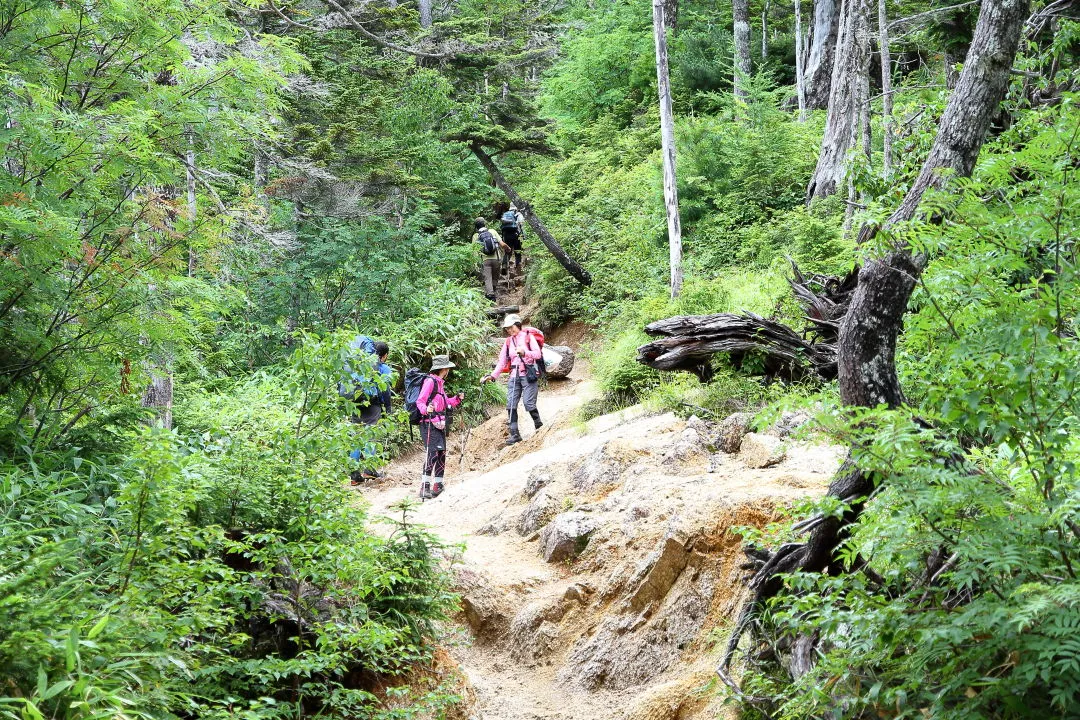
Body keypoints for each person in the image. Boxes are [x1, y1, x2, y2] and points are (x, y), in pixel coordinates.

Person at [481, 314, 542, 445]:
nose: (509, 330)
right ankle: (515, 434)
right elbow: (502, 362)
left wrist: (525, 353)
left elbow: (537, 354)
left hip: (528, 374)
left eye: (511, 327)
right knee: (510, 404)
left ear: (517, 325)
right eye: (507, 329)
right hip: (514, 376)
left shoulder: (527, 337)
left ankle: (539, 426)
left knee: (528, 403)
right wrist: (492, 376)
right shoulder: (508, 342)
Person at [416, 355, 463, 499]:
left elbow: (444, 402)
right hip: (428, 422)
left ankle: (438, 485)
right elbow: (420, 401)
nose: (448, 370)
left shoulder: (439, 383)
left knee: (441, 453)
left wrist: (456, 399)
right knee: (432, 454)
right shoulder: (430, 381)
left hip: (439, 423)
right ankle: (424, 488)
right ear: (443, 368)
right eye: (447, 367)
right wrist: (426, 410)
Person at [348, 340, 393, 484]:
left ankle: (354, 476)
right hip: (372, 405)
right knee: (370, 436)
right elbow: (385, 390)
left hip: (355, 403)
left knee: (356, 437)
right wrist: (388, 408)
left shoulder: (359, 367)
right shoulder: (383, 368)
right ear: (384, 355)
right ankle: (369, 470)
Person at [473, 217, 507, 301]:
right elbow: (502, 244)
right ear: (485, 224)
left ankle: (490, 295)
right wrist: (508, 249)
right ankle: (493, 290)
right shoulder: (492, 231)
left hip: (485, 260)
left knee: (487, 278)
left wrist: (476, 263)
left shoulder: (476, 236)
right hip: (497, 259)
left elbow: (475, 251)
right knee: (495, 277)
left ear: (476, 227)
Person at [500, 206, 524, 276]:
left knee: (508, 251)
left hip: (506, 235)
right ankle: (518, 267)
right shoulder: (517, 214)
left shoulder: (505, 214)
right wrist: (523, 236)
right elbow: (521, 224)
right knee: (518, 251)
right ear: (516, 209)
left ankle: (504, 265)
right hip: (515, 234)